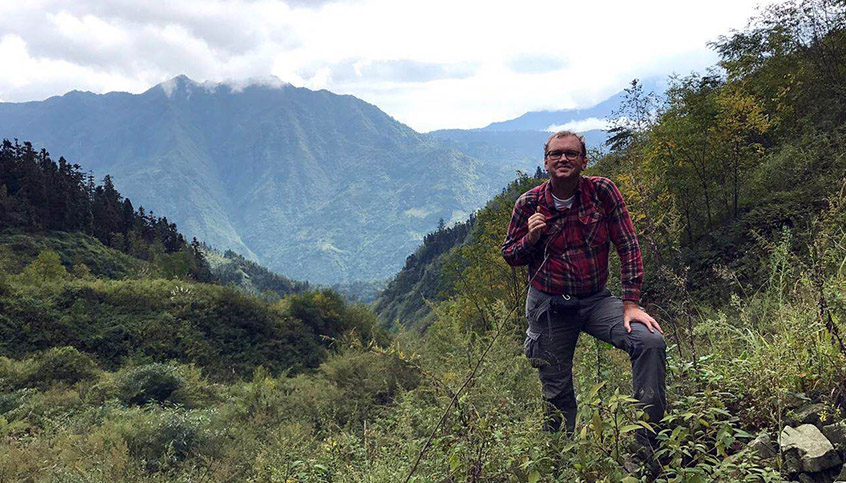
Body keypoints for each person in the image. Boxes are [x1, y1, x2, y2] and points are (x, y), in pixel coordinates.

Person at [501, 130, 666, 452]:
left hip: (595, 299)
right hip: (548, 305)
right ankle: (561, 461)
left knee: (650, 342)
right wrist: (530, 239)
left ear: (584, 160)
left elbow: (628, 244)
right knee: (557, 392)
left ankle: (648, 451)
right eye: (556, 154)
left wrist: (631, 303)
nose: (564, 159)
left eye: (571, 154)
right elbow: (510, 255)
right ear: (546, 161)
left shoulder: (602, 192)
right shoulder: (529, 203)